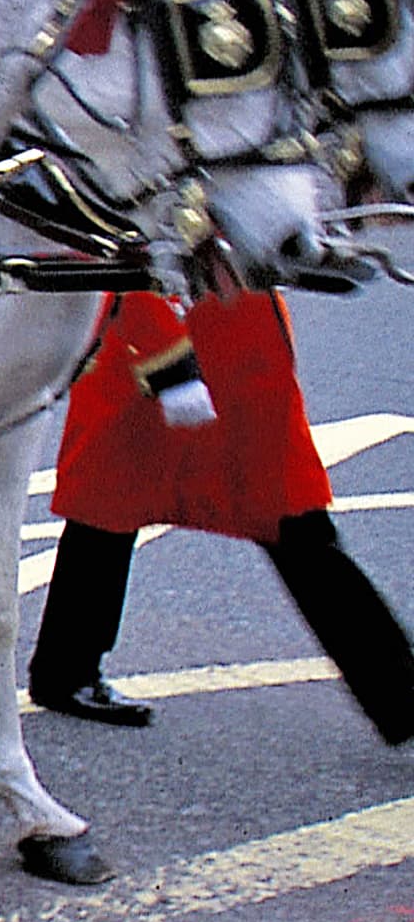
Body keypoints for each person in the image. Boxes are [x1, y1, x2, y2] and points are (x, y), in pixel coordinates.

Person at [28, 284, 414, 742]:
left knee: (288, 522)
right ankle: (401, 697)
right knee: (113, 511)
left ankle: (65, 668)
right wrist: (167, 361)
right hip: (173, 360)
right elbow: (130, 257)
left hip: (230, 361)